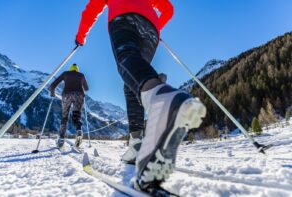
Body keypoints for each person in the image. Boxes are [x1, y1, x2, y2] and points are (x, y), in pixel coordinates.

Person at [75, 0, 206, 190]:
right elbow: (168, 9)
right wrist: (157, 27)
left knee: (126, 59)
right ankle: (136, 142)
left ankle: (160, 97)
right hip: (151, 29)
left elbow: (92, 9)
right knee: (134, 81)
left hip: (123, 19)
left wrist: (81, 37)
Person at [49, 64, 89, 148]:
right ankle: (79, 131)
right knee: (77, 116)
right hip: (79, 95)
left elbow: (52, 86)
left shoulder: (65, 73)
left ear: (70, 69)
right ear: (77, 70)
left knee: (65, 117)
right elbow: (86, 88)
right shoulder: (81, 75)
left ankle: (61, 138)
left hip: (66, 95)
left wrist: (53, 93)